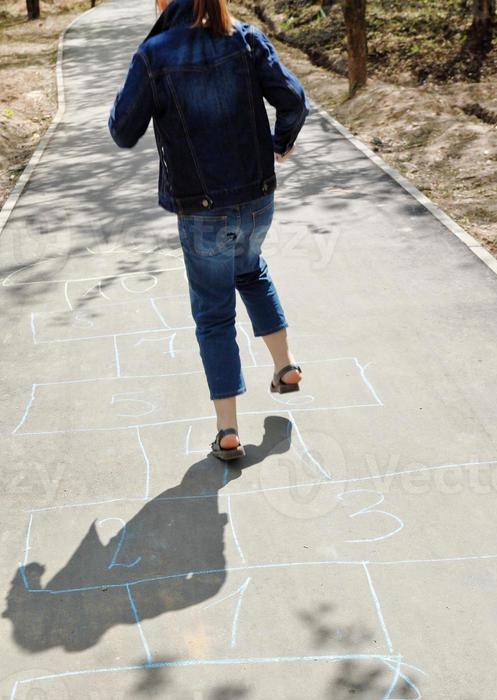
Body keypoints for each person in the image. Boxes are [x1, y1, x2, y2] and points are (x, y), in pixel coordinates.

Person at [108, 0, 309, 460]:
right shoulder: (245, 38)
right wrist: (279, 144)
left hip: (201, 208)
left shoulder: (155, 53)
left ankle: (227, 431)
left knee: (214, 313)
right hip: (258, 197)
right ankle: (286, 366)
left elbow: (123, 131)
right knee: (250, 270)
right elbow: (293, 98)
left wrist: (144, 63)